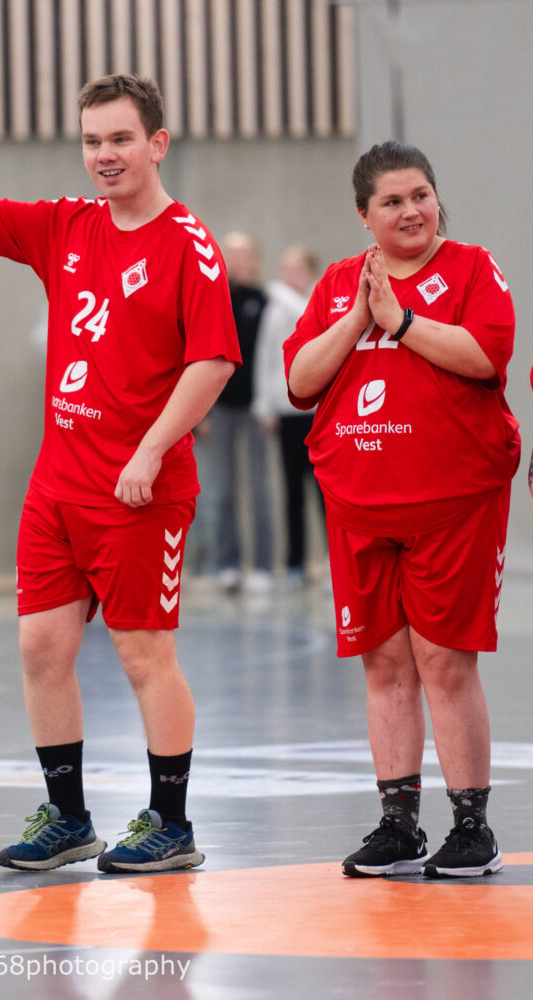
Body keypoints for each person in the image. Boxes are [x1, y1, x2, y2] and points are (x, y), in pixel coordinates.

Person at [0, 70, 240, 873]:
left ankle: (171, 824)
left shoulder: (189, 244)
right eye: (92, 141)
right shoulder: (68, 226)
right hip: (58, 487)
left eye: (120, 139)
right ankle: (68, 819)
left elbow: (213, 360)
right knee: (41, 647)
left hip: (140, 491)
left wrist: (150, 449)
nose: (105, 154)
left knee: (144, 656)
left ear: (156, 144)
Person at [284, 142, 519, 878]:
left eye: (421, 195)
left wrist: (403, 320)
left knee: (444, 660)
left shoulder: (472, 268)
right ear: (364, 215)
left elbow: (486, 355)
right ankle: (399, 825)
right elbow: (300, 379)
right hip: (359, 505)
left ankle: (472, 828)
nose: (412, 210)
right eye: (392, 201)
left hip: (452, 505)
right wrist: (360, 317)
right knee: (383, 663)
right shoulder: (338, 284)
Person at [195, 233, 274, 593]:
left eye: (245, 254)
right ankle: (227, 563)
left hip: (256, 407)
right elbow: (200, 354)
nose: (239, 260)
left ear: (255, 260)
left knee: (259, 487)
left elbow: (274, 358)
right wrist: (201, 411)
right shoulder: (213, 300)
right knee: (222, 487)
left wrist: (270, 404)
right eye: (233, 255)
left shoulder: (265, 301)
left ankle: (262, 565)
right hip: (221, 407)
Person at [252, 245, 324, 584]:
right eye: (286, 269)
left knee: (325, 492)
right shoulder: (275, 308)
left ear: (310, 272)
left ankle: (334, 562)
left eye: (297, 269)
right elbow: (265, 358)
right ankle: (295, 563)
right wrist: (265, 406)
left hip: (319, 411)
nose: (290, 275)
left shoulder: (321, 303)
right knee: (292, 490)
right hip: (287, 410)